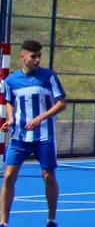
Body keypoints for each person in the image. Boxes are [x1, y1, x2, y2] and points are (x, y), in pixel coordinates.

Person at [0, 40, 67, 227]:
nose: (37, 60)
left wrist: (40, 118)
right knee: (8, 176)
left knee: (48, 176)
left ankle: (51, 218)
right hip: (19, 137)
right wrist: (11, 119)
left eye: (39, 56)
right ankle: (4, 222)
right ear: (23, 57)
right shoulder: (12, 80)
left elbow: (61, 103)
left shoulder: (48, 77)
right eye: (33, 56)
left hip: (44, 137)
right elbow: (9, 102)